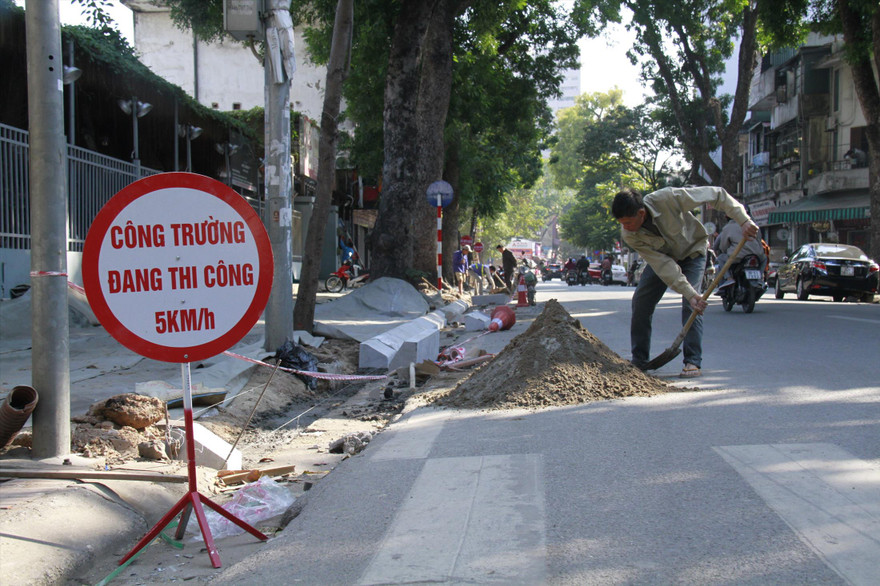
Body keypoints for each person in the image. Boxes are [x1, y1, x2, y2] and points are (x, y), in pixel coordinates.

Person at [611, 186, 758, 378]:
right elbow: (663, 265)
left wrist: (743, 220)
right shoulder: (629, 234)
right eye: (622, 223)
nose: (626, 227)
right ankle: (639, 361)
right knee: (641, 303)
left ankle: (692, 361)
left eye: (629, 222)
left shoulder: (667, 198)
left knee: (693, 305)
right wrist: (687, 290)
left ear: (641, 213)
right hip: (664, 258)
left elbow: (717, 194)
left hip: (693, 252)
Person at [714, 214, 766, 284]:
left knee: (721, 258)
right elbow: (759, 240)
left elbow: (724, 246)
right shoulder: (753, 225)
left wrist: (727, 251)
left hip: (738, 256)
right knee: (764, 258)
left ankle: (729, 278)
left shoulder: (728, 227)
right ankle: (760, 277)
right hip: (757, 255)